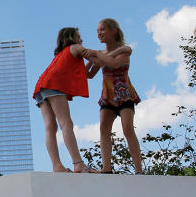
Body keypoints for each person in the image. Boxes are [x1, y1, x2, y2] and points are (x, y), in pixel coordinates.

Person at [33, 27, 98, 173]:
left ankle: (57, 166)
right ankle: (78, 164)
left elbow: (87, 73)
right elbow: (95, 58)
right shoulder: (75, 47)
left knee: (50, 127)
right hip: (54, 84)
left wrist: (99, 61)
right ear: (71, 37)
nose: (82, 39)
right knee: (66, 123)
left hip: (41, 86)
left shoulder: (62, 54)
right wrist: (107, 54)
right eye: (79, 36)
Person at [86, 18, 143, 173]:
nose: (99, 33)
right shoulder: (102, 54)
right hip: (108, 95)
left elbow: (115, 64)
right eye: (97, 31)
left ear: (114, 31)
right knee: (104, 128)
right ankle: (106, 168)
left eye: (102, 29)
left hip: (123, 93)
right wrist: (90, 58)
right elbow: (88, 74)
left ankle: (139, 170)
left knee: (127, 128)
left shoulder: (124, 50)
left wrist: (96, 55)